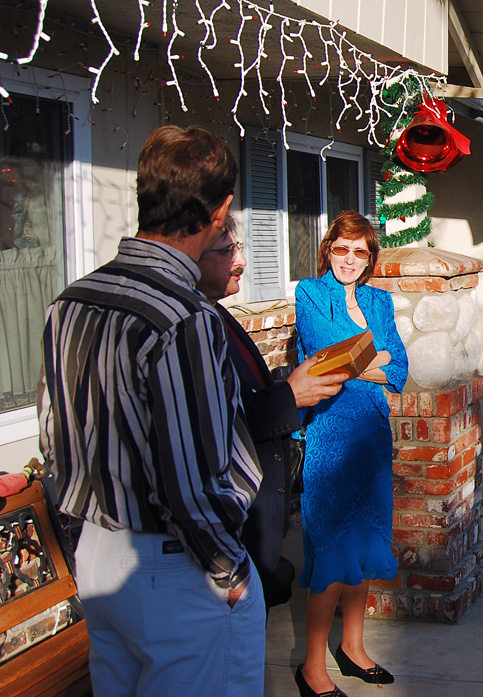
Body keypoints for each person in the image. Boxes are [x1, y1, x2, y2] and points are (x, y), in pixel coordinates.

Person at [37, 124, 265, 696]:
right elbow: (192, 482)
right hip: (176, 570)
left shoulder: (70, 302)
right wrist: (229, 570)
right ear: (221, 211)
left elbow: (52, 438)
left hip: (97, 560)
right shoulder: (186, 319)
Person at [194, 216, 347, 608]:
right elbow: (213, 426)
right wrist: (290, 396)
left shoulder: (218, 314)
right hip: (222, 543)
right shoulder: (189, 328)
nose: (242, 260)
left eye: (240, 248)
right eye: (228, 251)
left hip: (254, 531)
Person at [293, 210, 408, 697]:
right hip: (330, 435)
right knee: (333, 550)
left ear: (370, 258)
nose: (349, 259)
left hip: (372, 437)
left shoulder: (380, 300)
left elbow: (399, 364)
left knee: (363, 547)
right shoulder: (309, 293)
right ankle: (312, 667)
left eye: (359, 251)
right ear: (328, 250)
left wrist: (366, 359)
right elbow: (326, 354)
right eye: (341, 248)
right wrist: (370, 356)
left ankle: (354, 648)